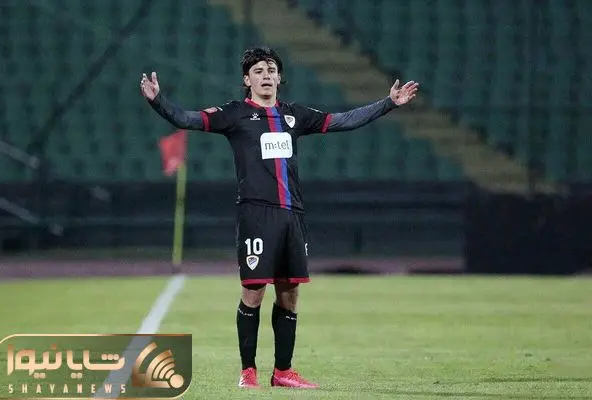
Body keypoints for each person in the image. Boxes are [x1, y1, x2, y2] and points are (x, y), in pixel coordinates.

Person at [140, 47, 419, 389]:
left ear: (279, 77)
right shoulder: (234, 114)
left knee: (289, 293)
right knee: (253, 291)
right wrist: (158, 101)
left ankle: (283, 372)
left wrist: (388, 103)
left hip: (292, 215)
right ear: (247, 80)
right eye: (259, 71)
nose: (266, 75)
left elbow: (343, 120)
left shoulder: (294, 115)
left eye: (271, 70)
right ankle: (248, 372)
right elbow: (187, 119)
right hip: (256, 214)